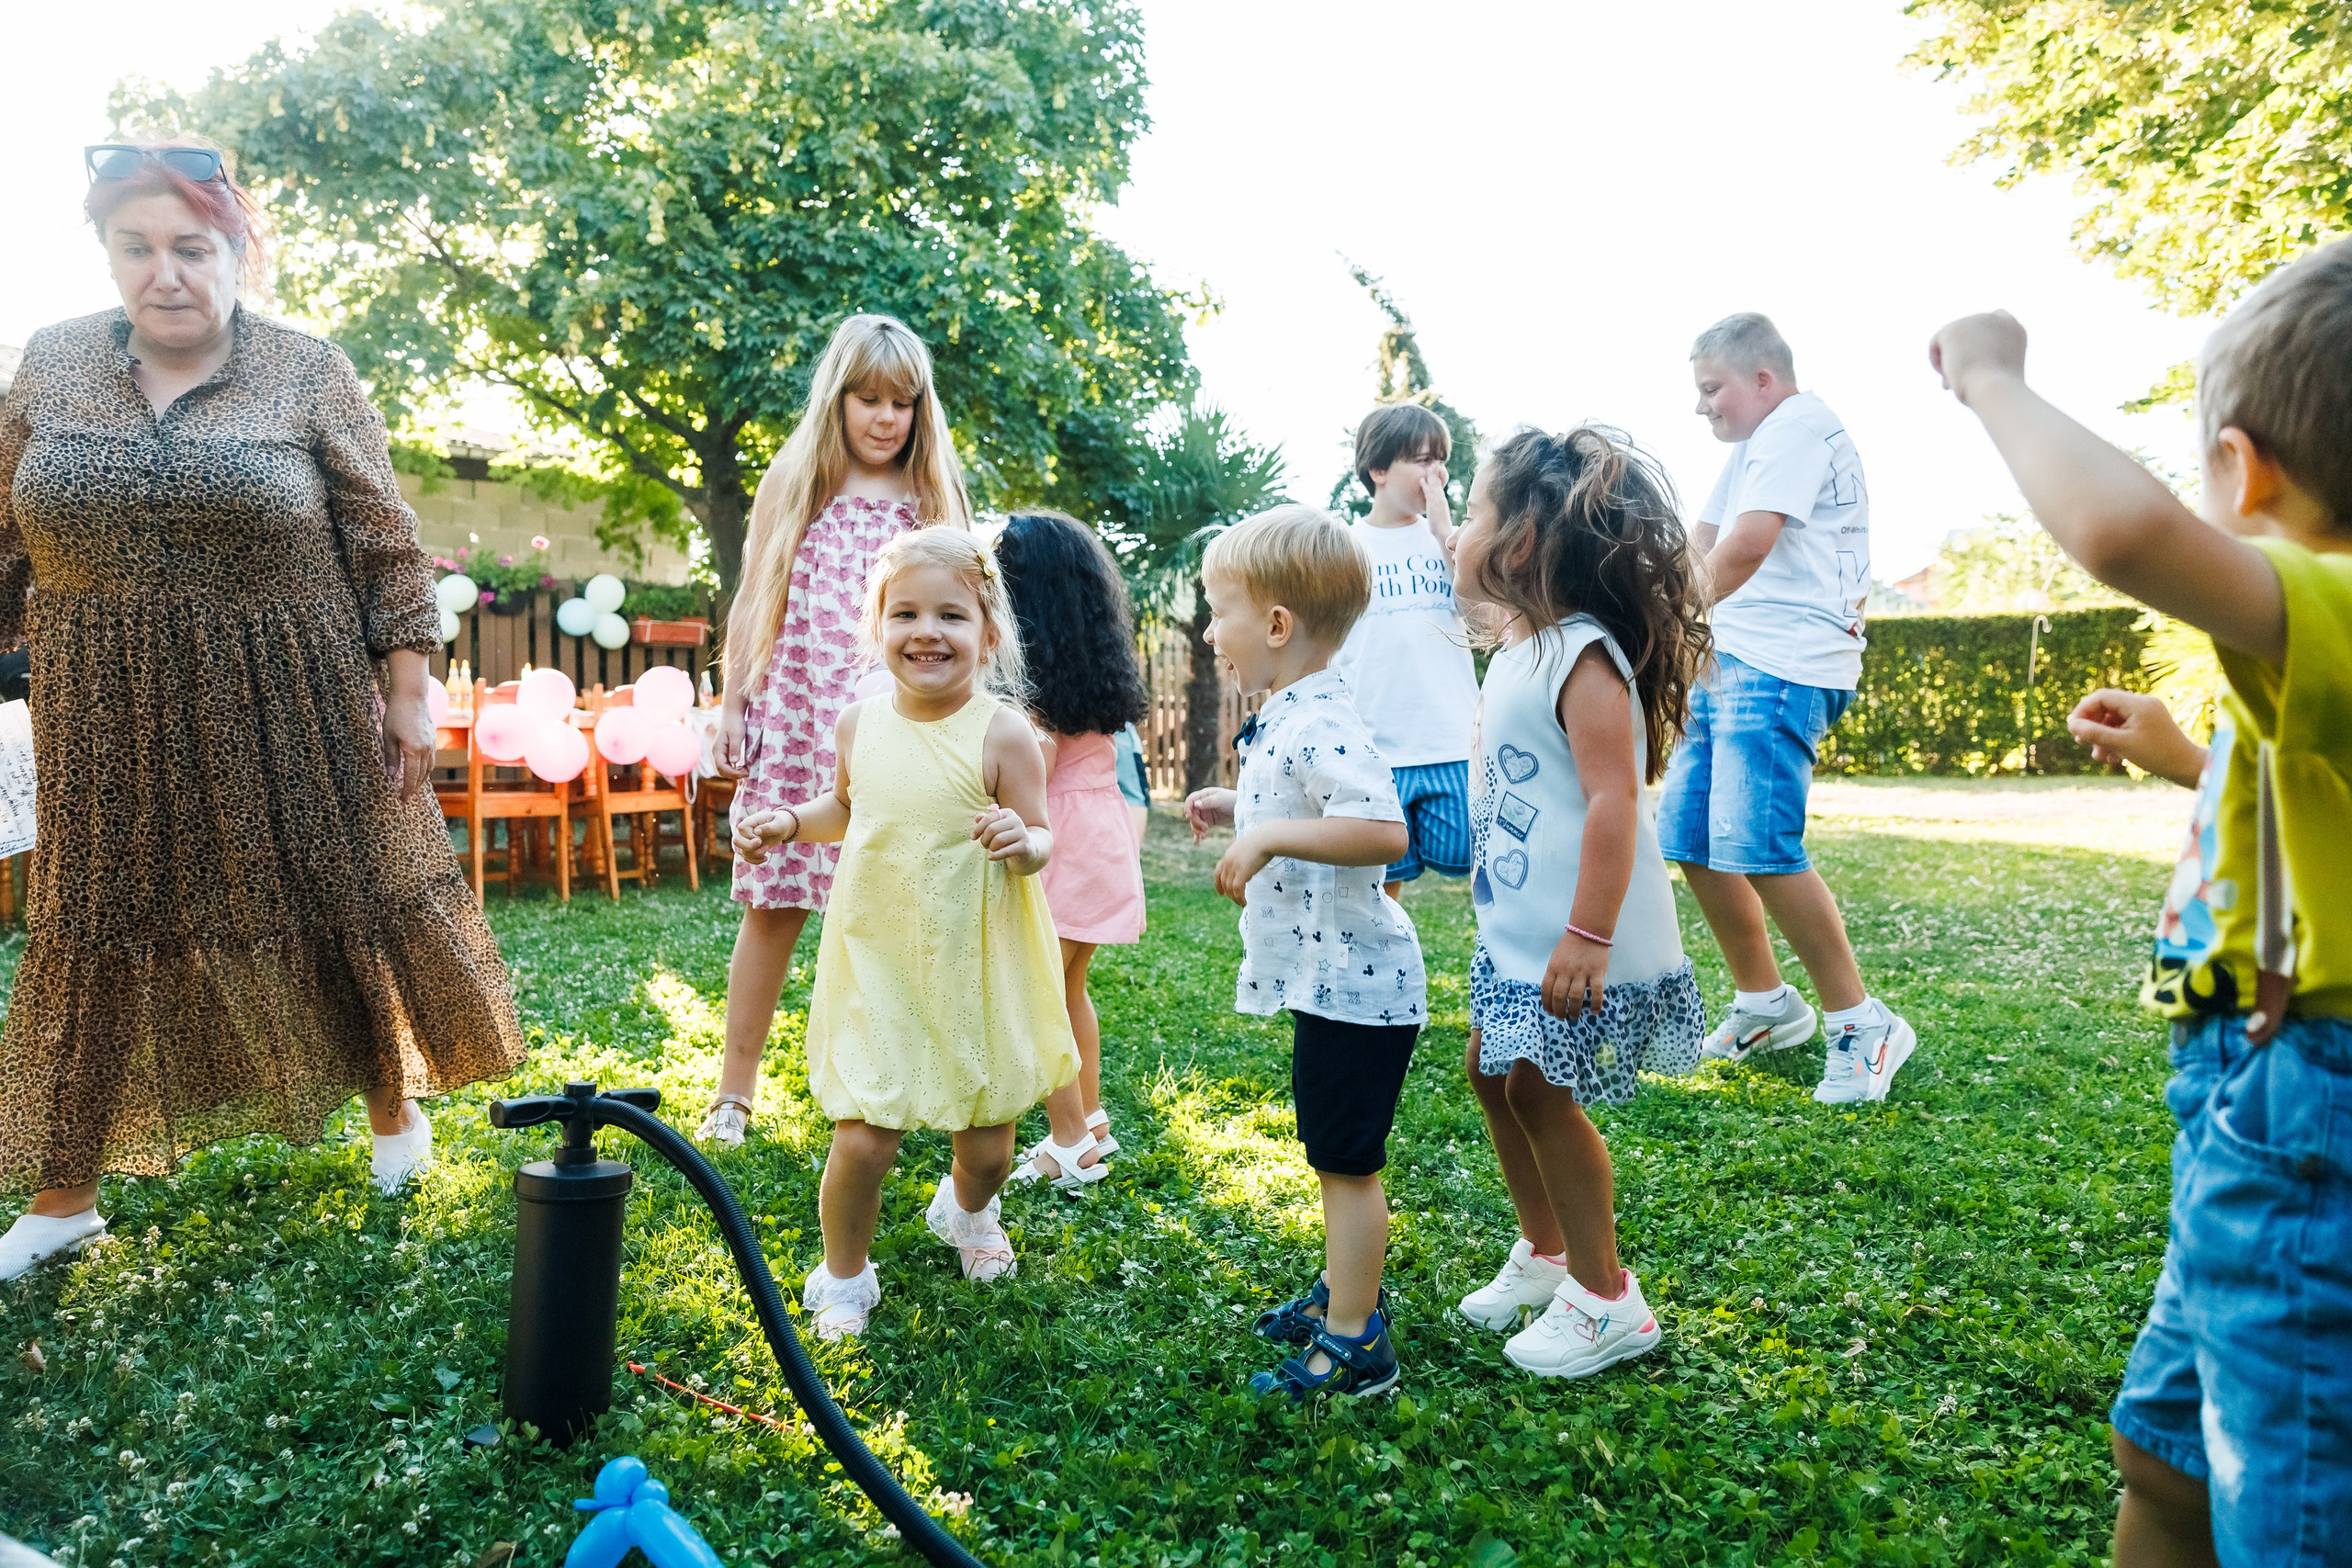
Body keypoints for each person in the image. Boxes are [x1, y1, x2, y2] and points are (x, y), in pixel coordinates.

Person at [0, 139, 524, 1278]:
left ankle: (393, 1110)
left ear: (238, 249)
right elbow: (4, 543)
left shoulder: (308, 370)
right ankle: (63, 1195)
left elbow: (384, 543)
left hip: (291, 689)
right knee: (95, 921)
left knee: (338, 893)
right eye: (136, 247)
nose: (166, 273)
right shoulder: (47, 366)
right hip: (102, 700)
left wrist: (409, 692)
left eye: (192, 246)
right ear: (106, 252)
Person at [1931, 240, 2352, 1568]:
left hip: (2301, 1105)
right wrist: (2184, 751)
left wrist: (1993, 374)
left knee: (2283, 1498)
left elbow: (2119, 531)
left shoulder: (2332, 597)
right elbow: (2308, 813)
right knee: (2166, 1448)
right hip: (2254, 1109)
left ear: (2243, 468)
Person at [732, 528, 1077, 1338]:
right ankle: (845, 1273)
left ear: (988, 634)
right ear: (878, 626)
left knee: (989, 1146)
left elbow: (1043, 834)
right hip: (878, 956)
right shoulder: (859, 722)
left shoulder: (1002, 732)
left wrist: (1020, 842)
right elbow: (848, 807)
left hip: (975, 964)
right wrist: (789, 821)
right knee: (863, 1139)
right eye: (907, 613)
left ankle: (964, 1210)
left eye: (952, 615)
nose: (928, 631)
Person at [1447, 426, 1710, 1377]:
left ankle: (1607, 1298)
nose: (1457, 530)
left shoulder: (1583, 656)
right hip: (1522, 930)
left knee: (1538, 1092)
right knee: (1492, 1071)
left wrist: (1587, 935)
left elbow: (1612, 799)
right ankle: (1548, 1253)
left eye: (1472, 512)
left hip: (1578, 934)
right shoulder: (1522, 646)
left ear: (1520, 543)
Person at [704, 314, 970, 1146]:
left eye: (902, 402)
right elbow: (758, 593)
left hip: (899, 729)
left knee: (900, 907)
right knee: (774, 904)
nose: (885, 418)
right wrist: (735, 704)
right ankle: (733, 1092)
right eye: (868, 399)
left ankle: (894, 1080)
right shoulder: (800, 476)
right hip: (797, 715)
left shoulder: (933, 495)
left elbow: (966, 611)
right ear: (839, 398)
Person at [1182, 506, 1424, 1401]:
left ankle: (1357, 1342)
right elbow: (1299, 799)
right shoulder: (1294, 716)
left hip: (1360, 988)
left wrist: (1268, 837)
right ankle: (1340, 1289)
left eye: (1221, 610)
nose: (1210, 632)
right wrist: (1229, 807)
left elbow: (1378, 829)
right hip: (1337, 985)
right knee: (1333, 1152)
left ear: (1276, 625)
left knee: (1346, 1162)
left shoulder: (1321, 717)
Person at [1668, 311, 1916, 1103]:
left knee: (1760, 843)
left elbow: (1745, 545)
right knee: (1691, 835)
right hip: (1730, 656)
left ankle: (1860, 1021)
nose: (1702, 406)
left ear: (1762, 379)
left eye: (1712, 389)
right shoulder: (1752, 447)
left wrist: (1664, 619)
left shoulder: (1798, 428)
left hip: (1784, 661)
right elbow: (1702, 535)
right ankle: (1766, 1004)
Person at [991, 511, 1150, 1190]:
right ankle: (1089, 1117)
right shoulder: (1091, 675)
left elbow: (1033, 767)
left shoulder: (1037, 701)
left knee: (1040, 998)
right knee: (1068, 987)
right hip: (1101, 846)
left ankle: (1069, 1143)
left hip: (1060, 850)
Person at [1329, 403, 1479, 901]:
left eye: (1441, 460)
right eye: (1421, 459)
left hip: (1453, 741)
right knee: (1378, 883)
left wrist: (1445, 534)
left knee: (1483, 862)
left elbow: (1484, 622)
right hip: (1374, 743)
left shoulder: (1456, 543)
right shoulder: (1344, 547)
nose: (1435, 473)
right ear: (1378, 470)